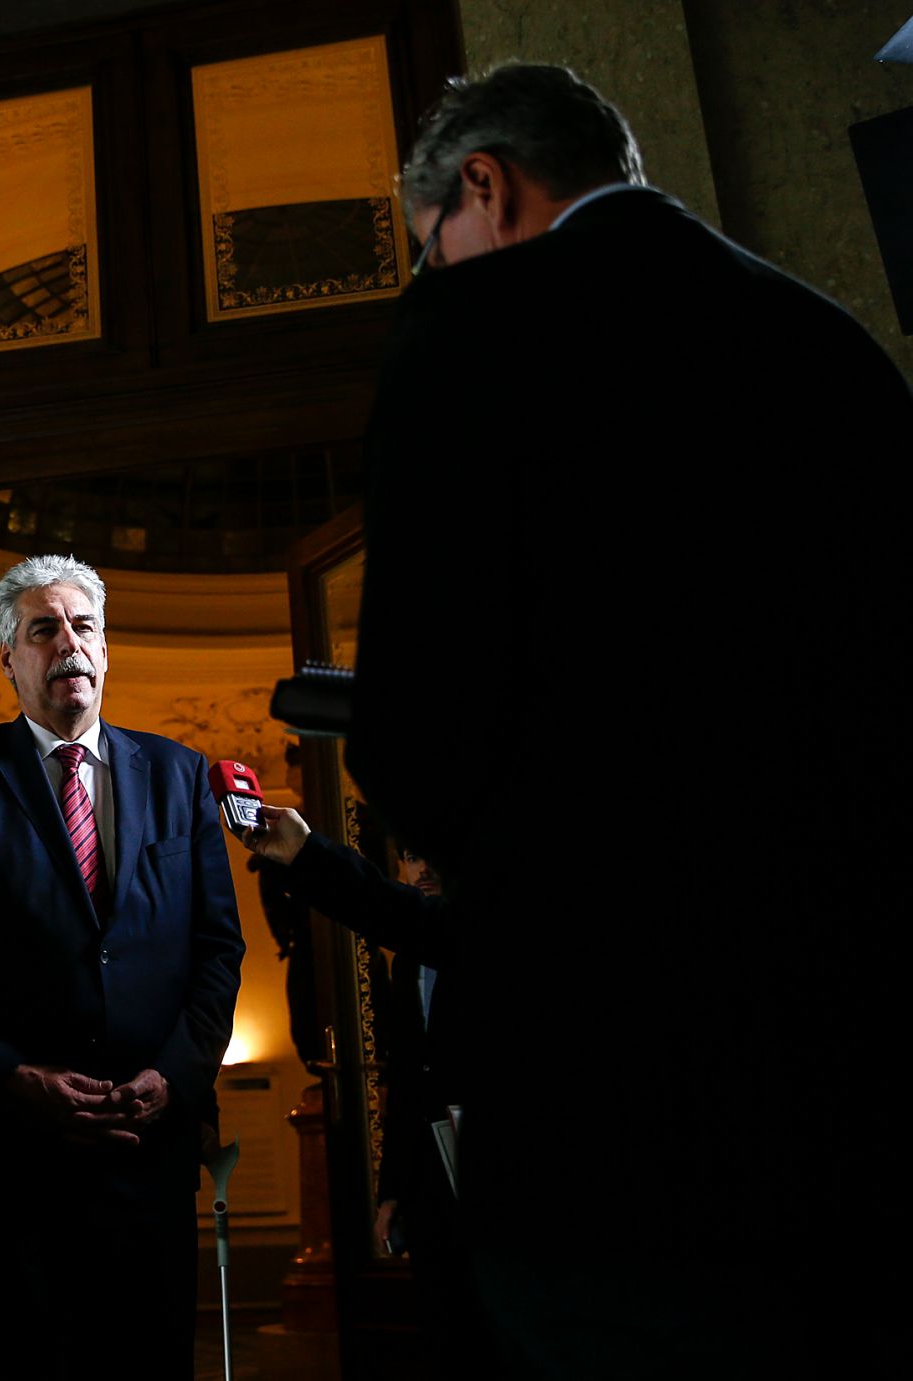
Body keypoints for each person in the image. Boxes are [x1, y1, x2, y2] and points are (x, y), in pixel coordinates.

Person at [349, 63, 912, 1375]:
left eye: (434, 244)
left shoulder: (469, 336)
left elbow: (418, 748)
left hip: (603, 1104)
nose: (438, 268)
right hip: (859, 1093)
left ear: (483, 185)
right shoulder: (835, 348)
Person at [0, 553, 245, 1380]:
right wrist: (12, 1072)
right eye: (43, 629)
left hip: (144, 1159)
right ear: (8, 658)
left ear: (107, 646)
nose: (69, 645)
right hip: (4, 1168)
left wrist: (175, 1071)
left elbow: (217, 949)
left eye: (84, 625)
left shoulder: (180, 773)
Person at [243, 815, 488, 1375]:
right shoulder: (406, 968)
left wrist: (307, 853)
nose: (420, 869)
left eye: (431, 856)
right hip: (432, 1182)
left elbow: (397, 912)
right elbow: (406, 1078)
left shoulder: (474, 931)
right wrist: (393, 1189)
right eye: (409, 856)